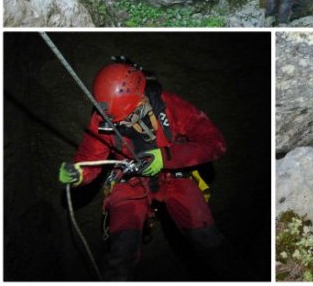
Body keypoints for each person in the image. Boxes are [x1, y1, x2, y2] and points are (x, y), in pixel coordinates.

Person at [58, 60, 236, 280]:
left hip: (174, 175)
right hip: (130, 180)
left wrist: (166, 157)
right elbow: (89, 160)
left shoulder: (169, 106)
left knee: (207, 238)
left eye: (130, 117)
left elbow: (215, 143)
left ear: (142, 97)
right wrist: (79, 175)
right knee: (121, 253)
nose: (126, 125)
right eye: (121, 121)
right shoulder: (103, 120)